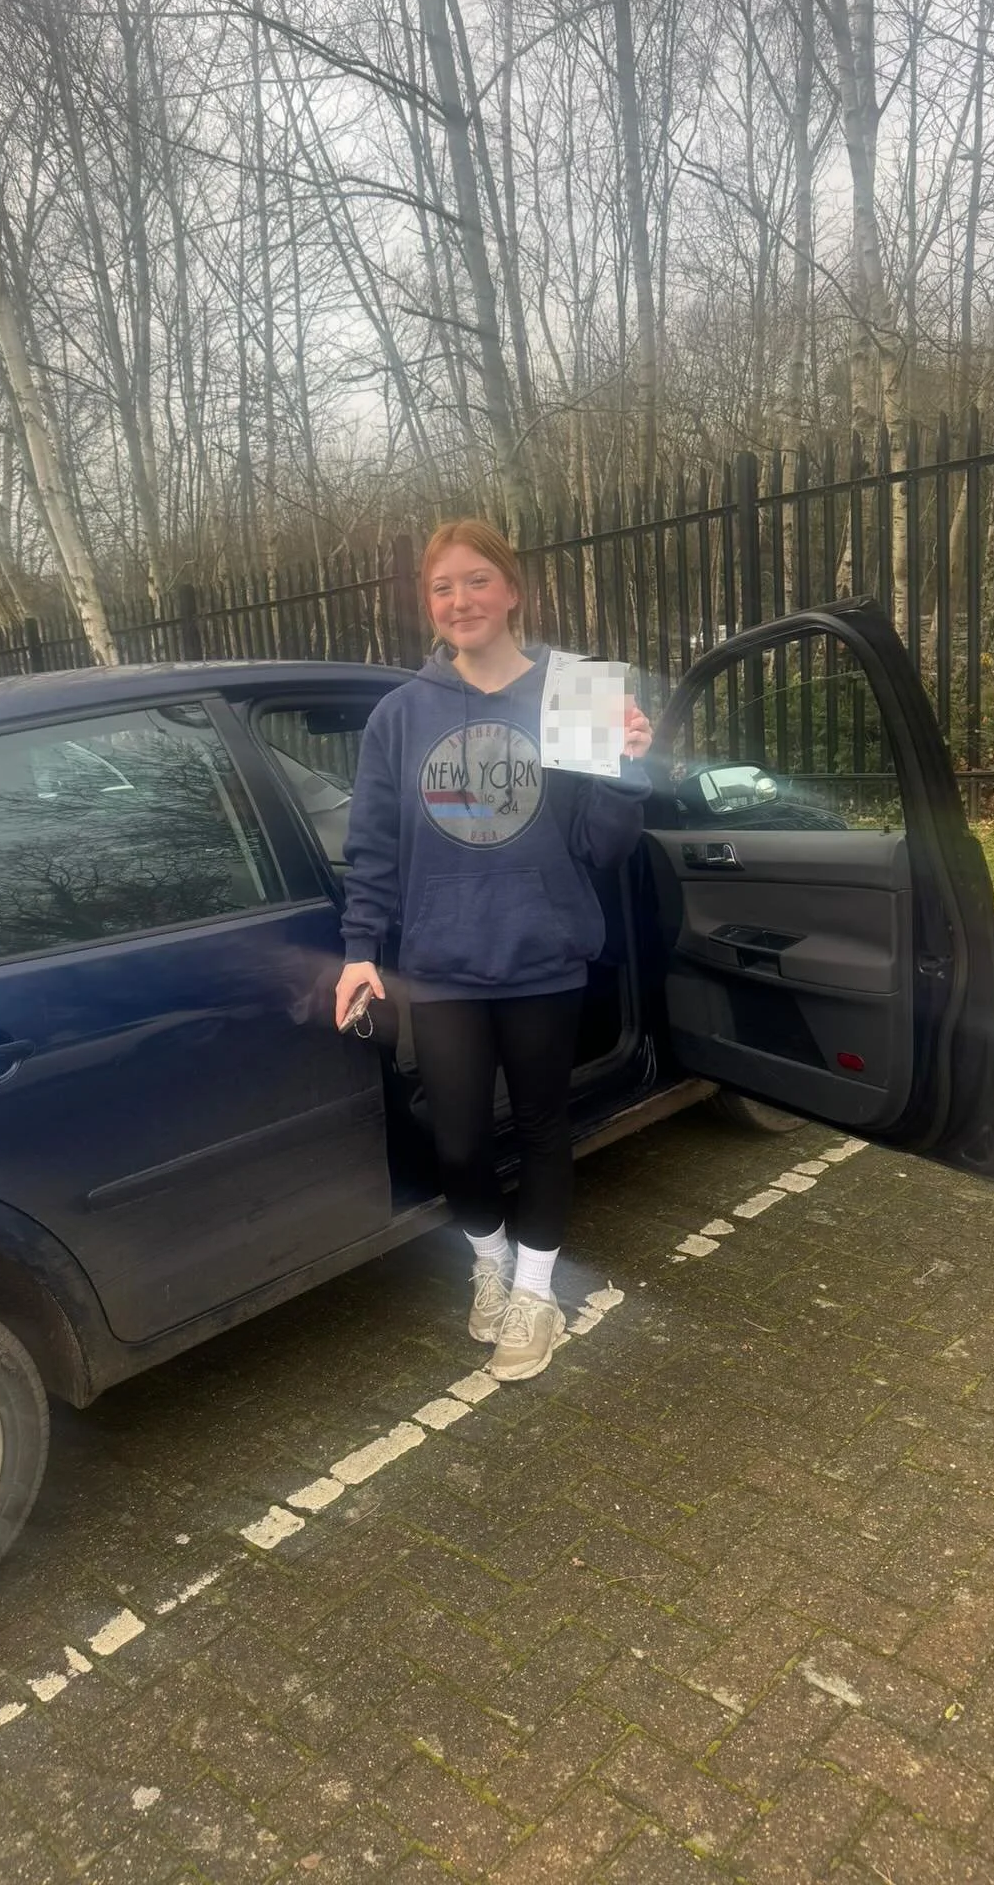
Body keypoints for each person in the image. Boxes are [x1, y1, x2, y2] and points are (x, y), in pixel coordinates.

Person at [333, 520, 653, 1380]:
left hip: (543, 954)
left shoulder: (572, 698)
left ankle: (537, 1294)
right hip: (440, 964)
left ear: (512, 591)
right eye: (443, 588)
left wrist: (625, 769)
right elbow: (370, 848)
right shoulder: (400, 717)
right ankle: (490, 1264)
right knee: (462, 1144)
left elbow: (601, 846)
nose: (460, 601)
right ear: (428, 605)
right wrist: (362, 947)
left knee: (546, 1129)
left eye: (477, 582)